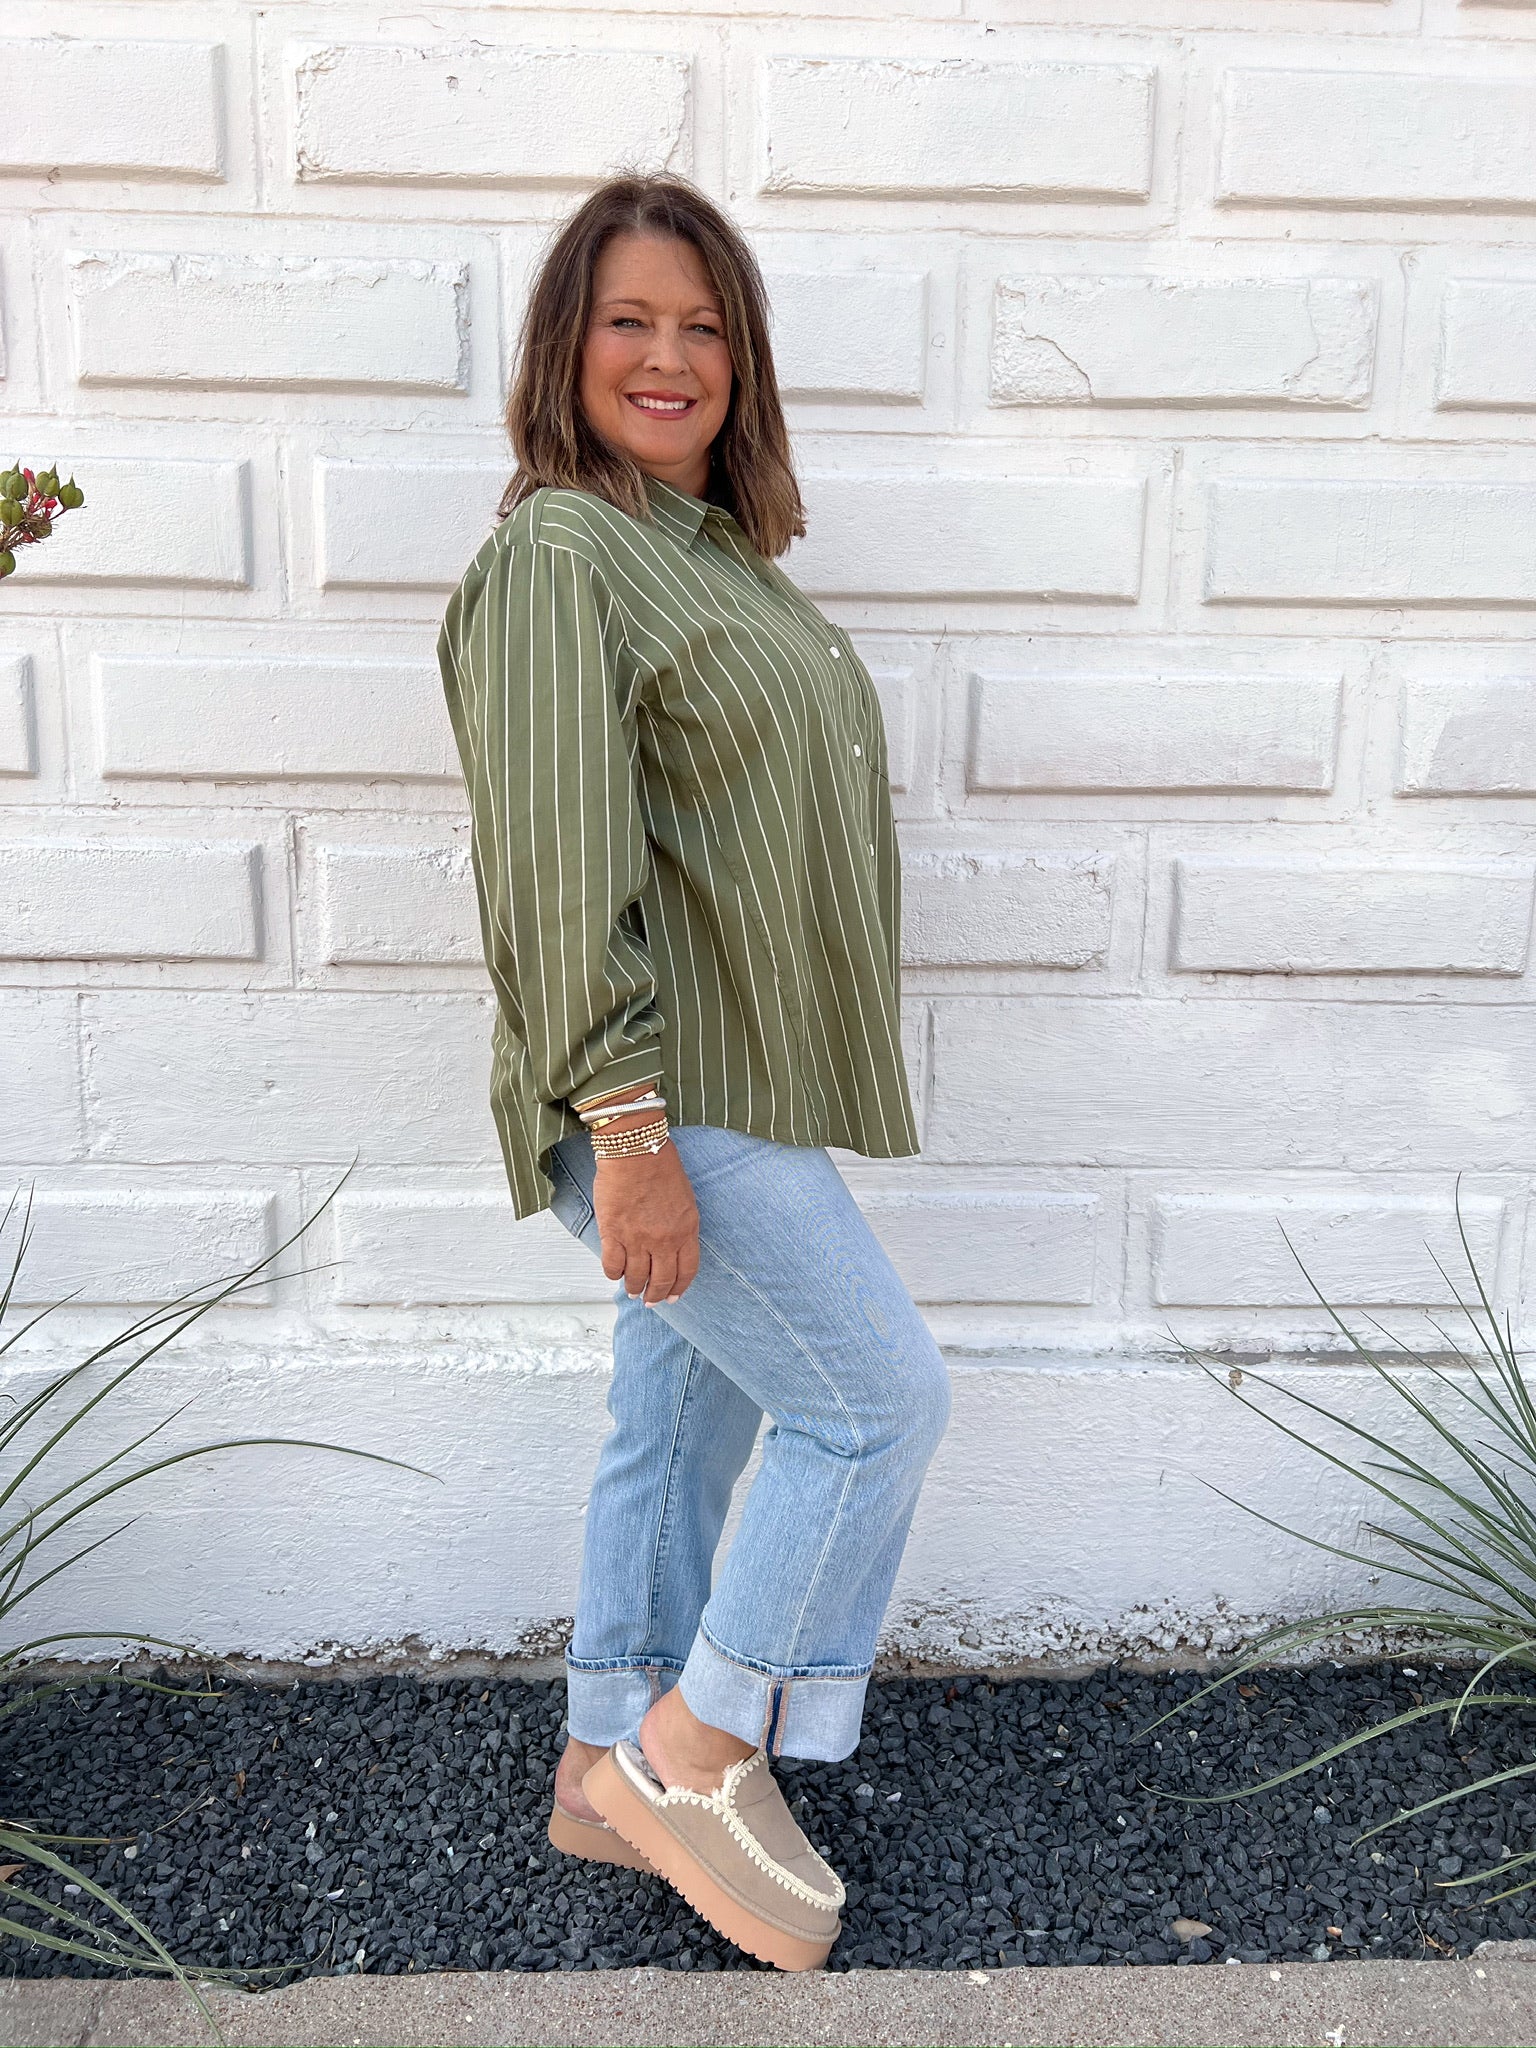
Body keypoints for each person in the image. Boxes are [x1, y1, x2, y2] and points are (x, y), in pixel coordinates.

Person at [436, 172, 951, 1973]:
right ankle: (700, 1746)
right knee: (874, 1405)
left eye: (706, 326)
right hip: (667, 1093)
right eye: (631, 319)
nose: (670, 356)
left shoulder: (711, 557)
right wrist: (627, 1127)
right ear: (564, 345)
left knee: (679, 1419)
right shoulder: (560, 553)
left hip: (735, 1082)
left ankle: (601, 1751)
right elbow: (559, 868)